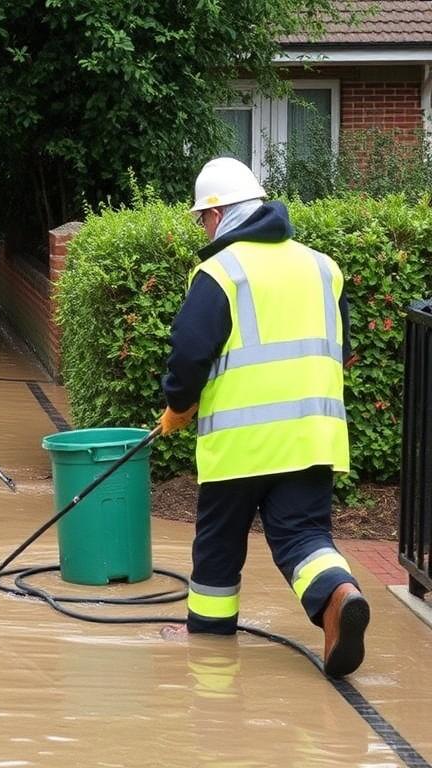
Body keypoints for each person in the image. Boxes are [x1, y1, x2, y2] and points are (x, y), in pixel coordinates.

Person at [159, 157, 369, 679]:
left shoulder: (220, 273)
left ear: (222, 213)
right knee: (303, 537)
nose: (203, 229)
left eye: (203, 218)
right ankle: (339, 596)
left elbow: (188, 355)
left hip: (241, 444)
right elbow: (341, 350)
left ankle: (208, 655)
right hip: (313, 438)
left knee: (218, 545)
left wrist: (178, 407)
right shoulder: (324, 267)